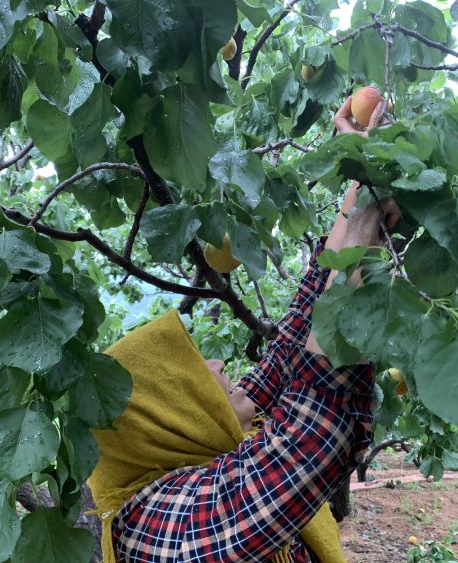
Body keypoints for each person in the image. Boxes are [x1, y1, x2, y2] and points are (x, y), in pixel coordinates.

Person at [88, 96, 399, 563]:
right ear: (167, 413)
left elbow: (294, 340)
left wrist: (359, 177)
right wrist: (365, 222)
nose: (215, 362)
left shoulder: (214, 447)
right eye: (195, 366)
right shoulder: (148, 527)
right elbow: (309, 440)